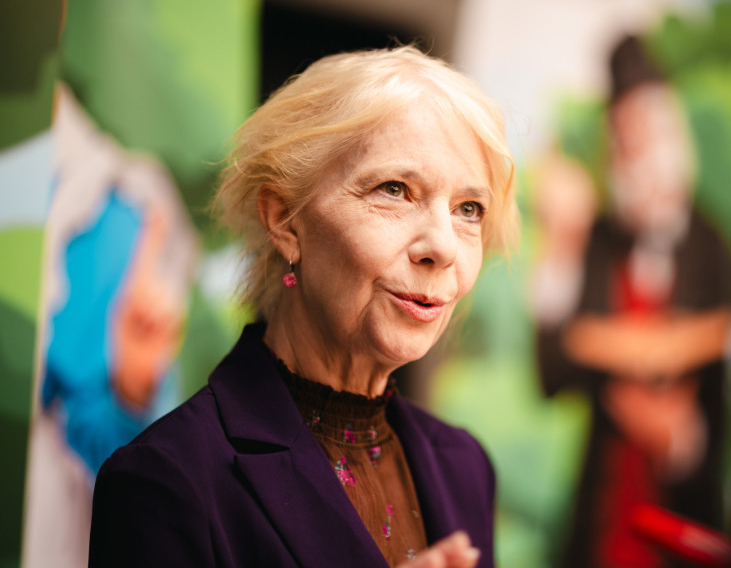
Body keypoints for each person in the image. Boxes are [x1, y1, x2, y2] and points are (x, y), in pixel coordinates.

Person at [88, 46, 518, 568]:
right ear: (285, 219)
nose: (443, 247)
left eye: (468, 209)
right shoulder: (166, 480)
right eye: (395, 189)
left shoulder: (466, 467)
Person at [535, 36, 731, 567]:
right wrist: (561, 246)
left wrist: (680, 439)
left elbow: (723, 370)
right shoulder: (600, 239)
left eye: (650, 138)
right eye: (627, 144)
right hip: (601, 518)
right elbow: (551, 372)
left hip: (682, 519)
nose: (641, 160)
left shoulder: (715, 246)